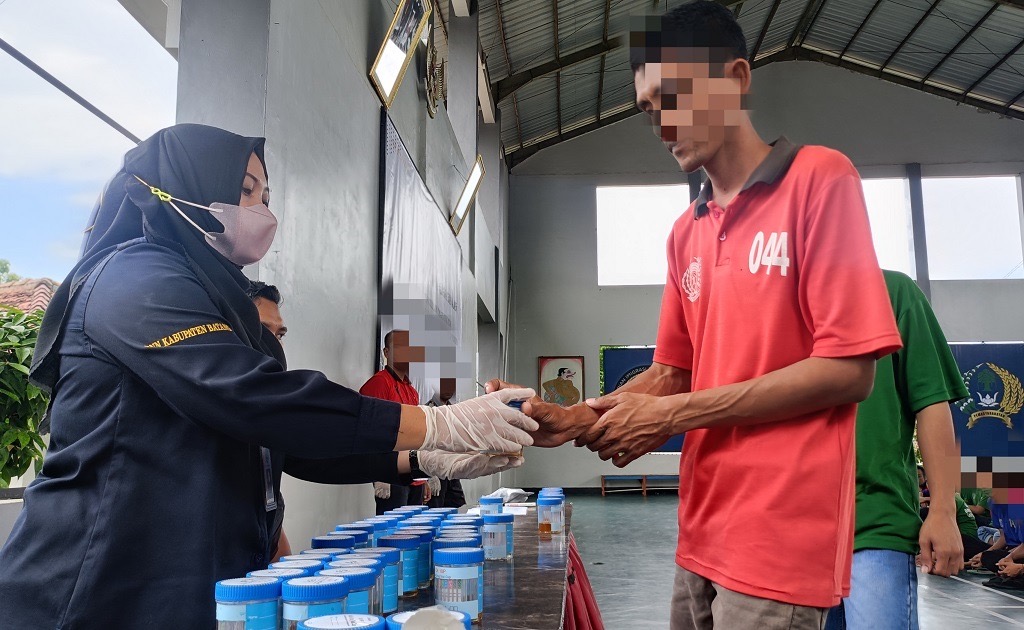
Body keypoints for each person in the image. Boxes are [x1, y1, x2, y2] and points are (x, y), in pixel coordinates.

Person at [0, 124, 537, 628]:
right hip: (95, 585)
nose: (262, 210)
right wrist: (438, 425)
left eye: (265, 194)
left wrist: (421, 458)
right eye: (245, 189)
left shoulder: (222, 302)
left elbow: (285, 442)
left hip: (189, 587)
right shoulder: (133, 278)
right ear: (181, 190)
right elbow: (254, 398)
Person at [493, 3, 901, 628]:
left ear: (736, 79)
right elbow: (672, 372)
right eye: (648, 109)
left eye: (674, 97)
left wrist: (672, 416)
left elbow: (848, 371)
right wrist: (577, 419)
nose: (662, 125)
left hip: (778, 541)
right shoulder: (687, 231)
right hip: (700, 531)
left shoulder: (820, 180)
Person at [825, 270, 966, 630]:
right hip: (789, 527)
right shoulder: (771, 297)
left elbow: (931, 401)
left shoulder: (893, 291)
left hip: (875, 518)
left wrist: (944, 509)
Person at [247, 280, 292, 560]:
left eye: (279, 335)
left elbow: (268, 498)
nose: (274, 345)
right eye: (263, 332)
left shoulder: (269, 408)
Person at [362, 330, 429, 513]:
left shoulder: (412, 391)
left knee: (416, 527)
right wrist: (379, 474)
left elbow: (416, 434)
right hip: (391, 474)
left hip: (413, 473)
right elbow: (368, 432)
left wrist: (425, 476)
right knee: (393, 528)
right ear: (386, 352)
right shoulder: (378, 384)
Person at [426, 378, 467, 509]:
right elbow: (423, 444)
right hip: (435, 470)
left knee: (459, 507)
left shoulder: (454, 410)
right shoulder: (428, 410)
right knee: (435, 512)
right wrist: (429, 476)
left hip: (451, 469)